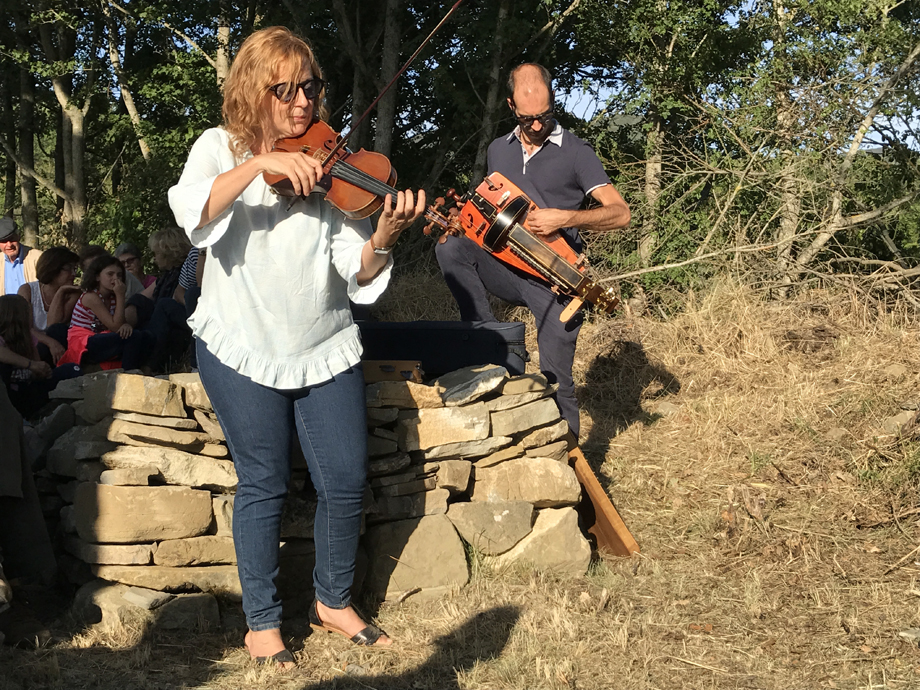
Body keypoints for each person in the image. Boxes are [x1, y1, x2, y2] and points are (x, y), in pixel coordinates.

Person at [167, 26, 424, 667]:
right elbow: (193, 215)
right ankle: (261, 623)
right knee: (264, 481)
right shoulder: (218, 148)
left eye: (310, 87)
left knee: (346, 480)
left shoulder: (330, 162)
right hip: (241, 339)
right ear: (254, 91)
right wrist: (259, 165)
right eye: (285, 90)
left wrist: (383, 238)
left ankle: (332, 602)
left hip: (322, 339)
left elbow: (355, 270)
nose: (303, 101)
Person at [435, 63, 631, 438]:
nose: (538, 125)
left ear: (552, 101)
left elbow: (621, 213)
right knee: (451, 247)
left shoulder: (576, 152)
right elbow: (491, 212)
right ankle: (489, 344)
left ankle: (567, 460)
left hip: (556, 282)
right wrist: (464, 222)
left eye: (544, 114)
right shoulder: (498, 149)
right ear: (511, 107)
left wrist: (567, 218)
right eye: (528, 119)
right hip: (507, 267)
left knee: (556, 383)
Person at [57, 256, 154, 371]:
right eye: (110, 274)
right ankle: (128, 372)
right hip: (83, 342)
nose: (115, 278)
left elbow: (120, 323)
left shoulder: (112, 297)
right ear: (97, 277)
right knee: (132, 337)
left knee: (146, 336)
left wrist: (126, 325)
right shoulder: (91, 297)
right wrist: (120, 295)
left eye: (119, 275)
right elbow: (116, 326)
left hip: (102, 336)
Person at [17, 246, 81, 362]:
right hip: (32, 345)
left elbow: (54, 325)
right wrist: (50, 342)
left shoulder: (73, 294)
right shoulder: (27, 290)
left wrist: (61, 292)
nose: (73, 274)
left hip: (59, 346)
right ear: (53, 268)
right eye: (68, 268)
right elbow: (25, 328)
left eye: (75, 269)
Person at [0, 218, 42, 297]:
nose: (9, 245)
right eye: (4, 241)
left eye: (12, 239)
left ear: (19, 236)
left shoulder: (38, 259)